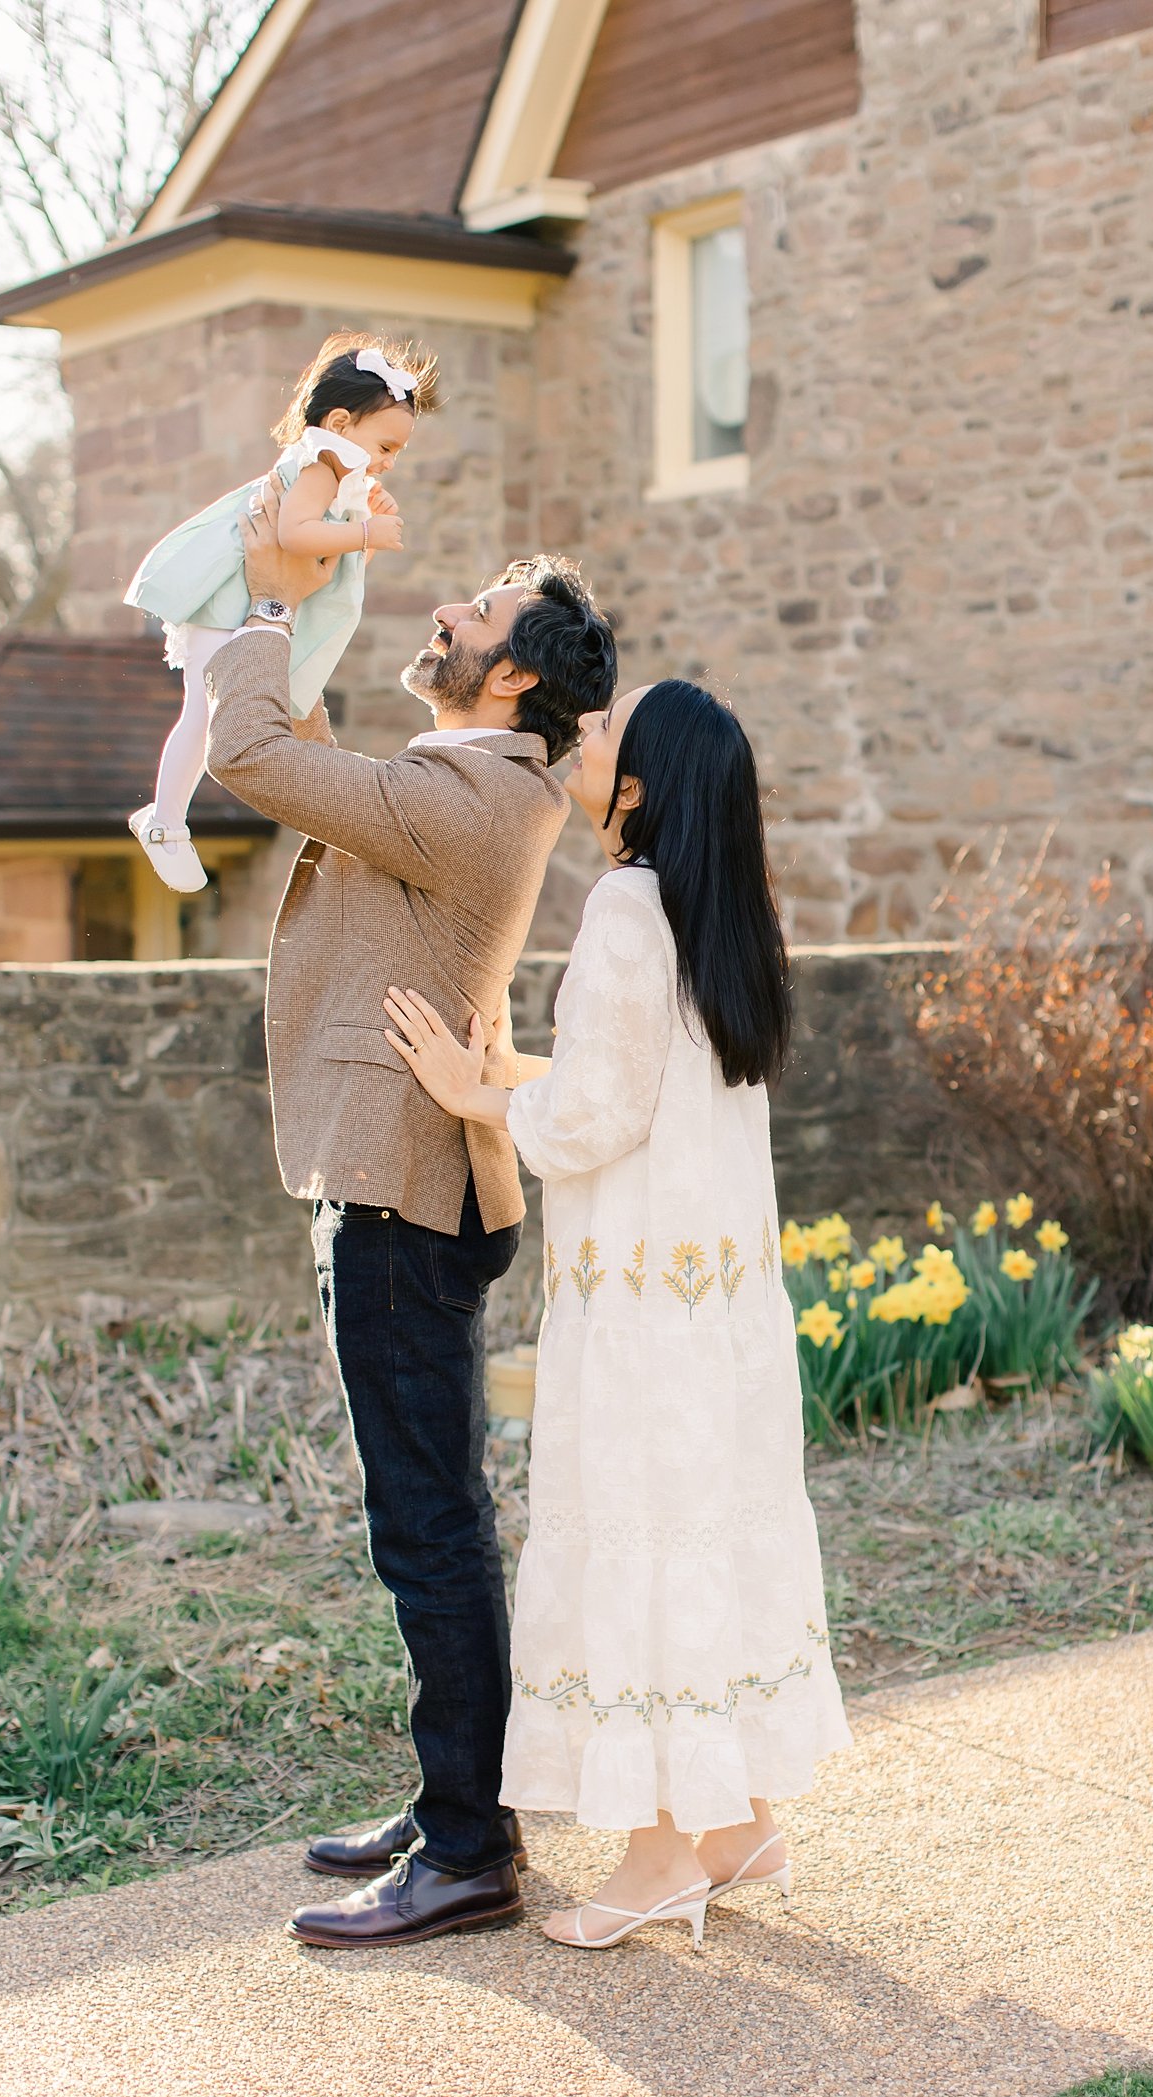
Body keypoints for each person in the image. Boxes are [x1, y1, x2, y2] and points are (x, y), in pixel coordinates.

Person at [199, 495, 617, 1949]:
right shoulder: (472, 776)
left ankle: (464, 1851)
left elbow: (254, 755)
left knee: (428, 1525)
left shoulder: (471, 799)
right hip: (413, 1181)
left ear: (514, 676)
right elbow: (313, 760)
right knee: (438, 1520)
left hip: (402, 1195)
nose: (448, 612)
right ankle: (466, 1799)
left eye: (479, 611)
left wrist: (263, 601)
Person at [380, 680, 851, 1952]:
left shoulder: (628, 905)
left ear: (634, 790)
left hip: (647, 1314)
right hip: (725, 1314)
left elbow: (592, 1121)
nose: (581, 735)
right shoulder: (725, 913)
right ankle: (742, 1820)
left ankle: (659, 1857)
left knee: (648, 1547)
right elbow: (639, 1084)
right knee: (707, 1539)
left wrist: (469, 1096)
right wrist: (510, 1072)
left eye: (600, 735)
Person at [123, 330, 437, 893]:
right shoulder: (321, 465)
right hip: (229, 605)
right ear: (340, 425)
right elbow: (294, 536)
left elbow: (315, 546)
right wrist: (366, 530)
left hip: (237, 606)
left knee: (207, 713)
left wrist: (358, 515)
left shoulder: (334, 472)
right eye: (387, 447)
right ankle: (165, 820)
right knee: (205, 716)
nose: (390, 462)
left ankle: (167, 817)